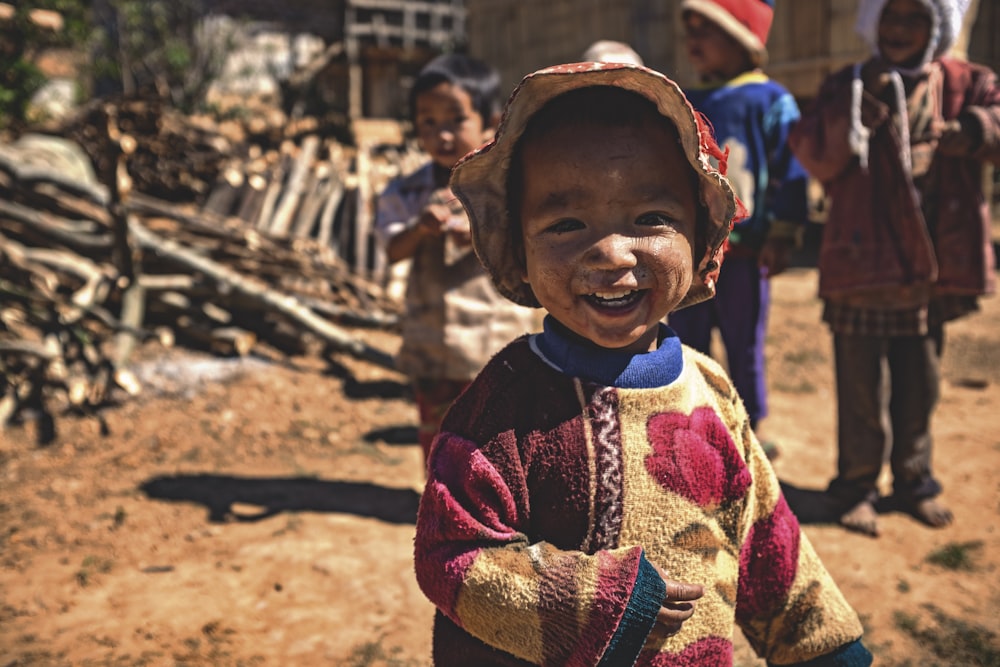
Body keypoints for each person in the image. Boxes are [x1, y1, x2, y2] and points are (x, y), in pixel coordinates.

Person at [414, 62, 872, 666]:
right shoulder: (503, 406)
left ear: (703, 238)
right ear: (516, 250)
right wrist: (594, 601)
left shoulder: (708, 390)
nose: (610, 253)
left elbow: (767, 540)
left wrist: (823, 647)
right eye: (566, 223)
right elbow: (451, 551)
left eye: (651, 218)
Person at [789, 0, 1000, 537]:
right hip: (862, 265)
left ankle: (913, 480)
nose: (901, 28)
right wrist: (852, 116)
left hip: (932, 265)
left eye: (916, 17)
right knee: (860, 386)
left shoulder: (966, 82)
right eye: (892, 15)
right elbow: (814, 153)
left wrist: (973, 130)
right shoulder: (849, 84)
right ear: (871, 21)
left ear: (940, 26)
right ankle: (856, 486)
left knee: (920, 383)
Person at [374, 54, 540, 467]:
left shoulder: (508, 189)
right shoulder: (407, 191)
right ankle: (443, 514)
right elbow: (392, 248)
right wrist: (418, 229)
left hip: (495, 344)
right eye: (427, 121)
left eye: (454, 120)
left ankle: (497, 519)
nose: (440, 134)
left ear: (489, 123)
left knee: (498, 442)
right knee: (438, 443)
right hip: (434, 346)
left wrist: (480, 234)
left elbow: (532, 245)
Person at [667, 0, 810, 462]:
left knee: (743, 340)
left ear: (742, 39)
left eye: (706, 29)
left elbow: (792, 169)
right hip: (690, 253)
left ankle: (749, 427)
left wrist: (783, 232)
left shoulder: (771, 100)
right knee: (686, 340)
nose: (692, 41)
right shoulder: (687, 101)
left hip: (744, 254)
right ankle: (695, 423)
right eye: (688, 29)